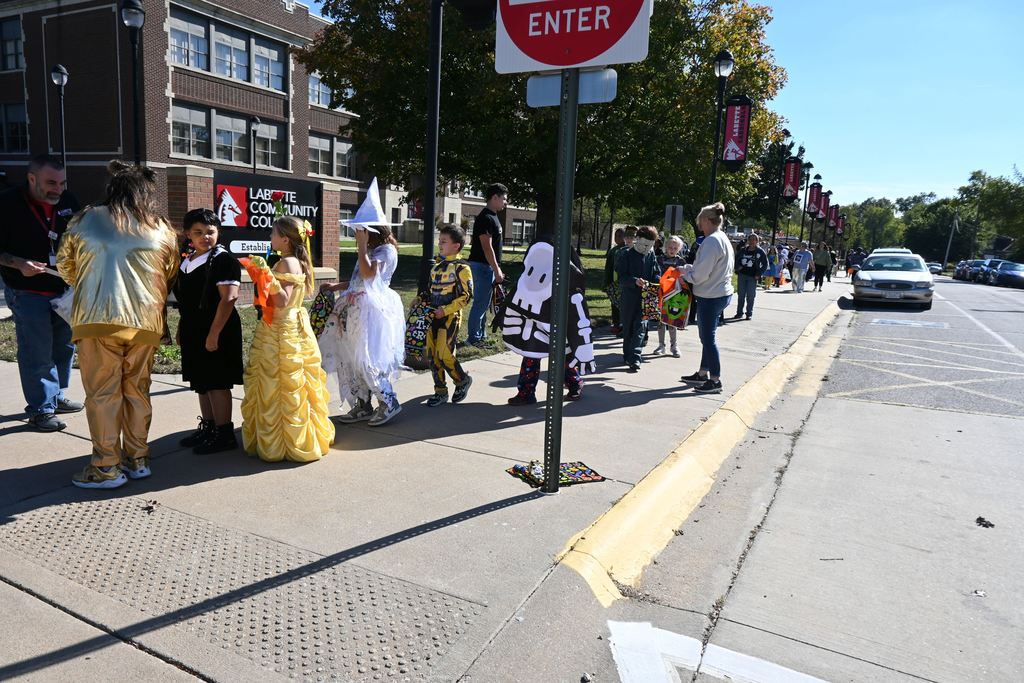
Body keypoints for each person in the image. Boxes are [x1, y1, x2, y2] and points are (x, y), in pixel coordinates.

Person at [57, 161, 180, 489]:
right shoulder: (163, 228)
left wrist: (91, 284)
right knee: (137, 390)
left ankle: (106, 466)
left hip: (97, 319)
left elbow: (66, 265)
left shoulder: (85, 219)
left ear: (113, 189)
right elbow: (169, 272)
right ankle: (137, 458)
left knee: (102, 393)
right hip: (146, 323)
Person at [240, 216, 335, 463]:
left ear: (285, 239)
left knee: (282, 383)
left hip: (282, 329)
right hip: (291, 324)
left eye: (273, 234)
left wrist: (264, 274)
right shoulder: (296, 261)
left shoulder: (287, 263)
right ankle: (300, 436)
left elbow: (281, 300)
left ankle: (285, 443)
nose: (270, 238)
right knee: (294, 383)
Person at [0, 154, 83, 432]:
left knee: (64, 347)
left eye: (62, 183)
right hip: (27, 290)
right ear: (31, 178)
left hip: (63, 288)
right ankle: (40, 409)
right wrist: (18, 264)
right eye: (51, 183)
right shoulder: (8, 203)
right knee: (37, 351)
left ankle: (56, 396)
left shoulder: (69, 201)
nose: (57, 190)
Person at [319, 222, 404, 426]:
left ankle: (388, 401)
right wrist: (337, 286)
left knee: (367, 357)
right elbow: (358, 280)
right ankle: (363, 403)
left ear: (371, 231)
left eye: (360, 230)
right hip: (353, 309)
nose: (356, 233)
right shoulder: (371, 249)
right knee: (350, 358)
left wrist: (362, 246)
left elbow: (370, 276)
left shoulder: (387, 251)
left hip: (370, 312)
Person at [173, 208, 243, 454]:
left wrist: (213, 334)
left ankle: (224, 434)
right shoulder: (189, 259)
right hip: (195, 328)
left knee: (217, 381)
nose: (205, 237)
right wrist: (183, 327)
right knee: (201, 381)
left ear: (218, 232)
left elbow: (228, 300)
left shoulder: (224, 260)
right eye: (198, 232)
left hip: (218, 328)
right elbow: (188, 301)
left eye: (210, 232)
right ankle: (210, 427)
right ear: (188, 235)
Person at [498, 231, 595, 404]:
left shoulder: (568, 283)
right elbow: (514, 298)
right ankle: (526, 392)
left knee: (564, 357)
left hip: (558, 326)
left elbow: (579, 314)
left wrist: (583, 346)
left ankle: (574, 383)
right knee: (531, 355)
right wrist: (503, 316)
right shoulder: (529, 277)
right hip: (535, 325)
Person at [679, 202, 735, 394]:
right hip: (720, 292)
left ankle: (715, 380)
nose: (698, 224)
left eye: (699, 220)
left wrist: (686, 274)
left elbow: (701, 274)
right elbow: (710, 269)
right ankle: (703, 374)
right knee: (708, 338)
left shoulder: (711, 241)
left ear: (705, 220)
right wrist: (690, 271)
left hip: (711, 295)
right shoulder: (722, 238)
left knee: (707, 338)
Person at [425, 224, 474, 406]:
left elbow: (466, 296)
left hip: (450, 317)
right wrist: (420, 299)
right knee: (432, 355)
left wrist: (445, 310)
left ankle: (462, 380)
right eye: (439, 241)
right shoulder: (436, 267)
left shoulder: (462, 268)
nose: (440, 244)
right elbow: (430, 291)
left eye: (444, 241)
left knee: (444, 353)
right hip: (432, 316)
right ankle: (440, 391)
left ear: (456, 246)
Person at [465, 183, 507, 347]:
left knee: (484, 303)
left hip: (487, 266)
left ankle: (481, 336)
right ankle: (473, 338)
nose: (505, 202)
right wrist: (496, 269)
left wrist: (496, 268)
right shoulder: (486, 218)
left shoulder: (493, 216)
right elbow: (486, 246)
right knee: (480, 303)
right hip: (481, 266)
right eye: (503, 198)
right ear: (494, 197)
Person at [616, 225, 660, 373]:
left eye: (651, 245)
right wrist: (634, 281)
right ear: (638, 240)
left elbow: (656, 273)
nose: (647, 248)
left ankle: (635, 357)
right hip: (629, 297)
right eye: (645, 244)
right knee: (628, 327)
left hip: (646, 297)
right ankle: (628, 354)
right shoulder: (626, 255)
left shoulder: (651, 255)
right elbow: (621, 278)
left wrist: (657, 281)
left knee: (641, 326)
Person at [654, 235, 686, 356]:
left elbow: (684, 277)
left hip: (675, 295)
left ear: (678, 249)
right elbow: (656, 274)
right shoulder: (659, 259)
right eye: (670, 247)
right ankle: (661, 345)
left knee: (672, 321)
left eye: (675, 248)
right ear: (666, 247)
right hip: (662, 293)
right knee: (661, 321)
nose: (672, 250)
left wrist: (682, 280)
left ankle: (674, 346)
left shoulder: (681, 261)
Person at [733, 233, 768, 319]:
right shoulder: (743, 250)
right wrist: (738, 267)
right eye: (750, 239)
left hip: (753, 277)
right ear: (748, 240)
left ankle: (749, 314)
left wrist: (758, 274)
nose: (752, 241)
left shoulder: (760, 251)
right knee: (741, 295)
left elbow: (765, 264)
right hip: (742, 275)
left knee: (751, 296)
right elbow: (735, 259)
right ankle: (739, 313)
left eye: (754, 239)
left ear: (757, 241)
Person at [603, 227, 626, 334]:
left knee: (623, 305)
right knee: (614, 304)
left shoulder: (627, 250)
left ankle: (623, 324)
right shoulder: (613, 250)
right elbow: (608, 268)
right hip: (613, 283)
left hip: (623, 284)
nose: (617, 238)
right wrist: (606, 283)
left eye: (620, 236)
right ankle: (616, 324)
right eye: (616, 236)